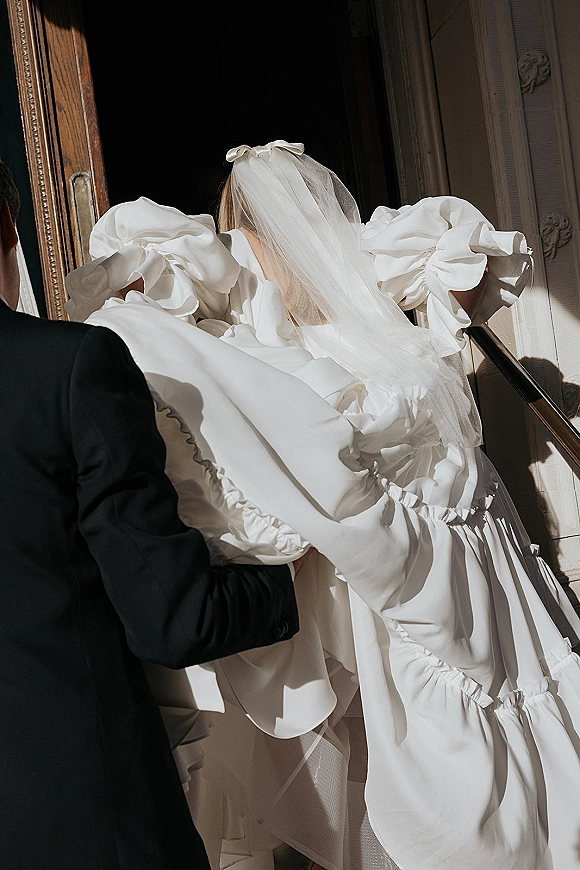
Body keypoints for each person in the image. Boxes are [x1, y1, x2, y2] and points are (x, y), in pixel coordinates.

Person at [64, 141, 580, 870]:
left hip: (405, 556)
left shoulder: (283, 310)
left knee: (398, 725)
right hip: (453, 543)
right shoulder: (367, 313)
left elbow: (170, 293)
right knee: (466, 702)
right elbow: (462, 263)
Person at [0, 157, 301, 870]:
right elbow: (174, 617)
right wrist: (290, 586)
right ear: (5, 228)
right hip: (81, 821)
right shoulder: (67, 370)